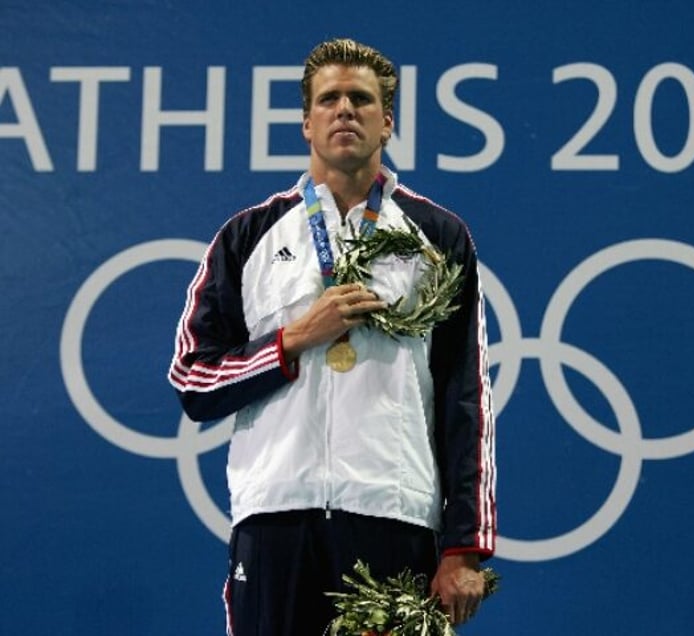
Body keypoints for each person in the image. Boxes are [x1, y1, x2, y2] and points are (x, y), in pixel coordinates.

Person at [168, 38, 496, 636]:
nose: (345, 109)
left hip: (393, 515)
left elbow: (465, 397)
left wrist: (464, 546)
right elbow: (194, 381)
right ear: (306, 123)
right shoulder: (248, 236)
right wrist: (291, 341)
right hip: (276, 518)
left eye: (361, 99)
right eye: (329, 99)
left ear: (387, 122)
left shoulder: (438, 236)